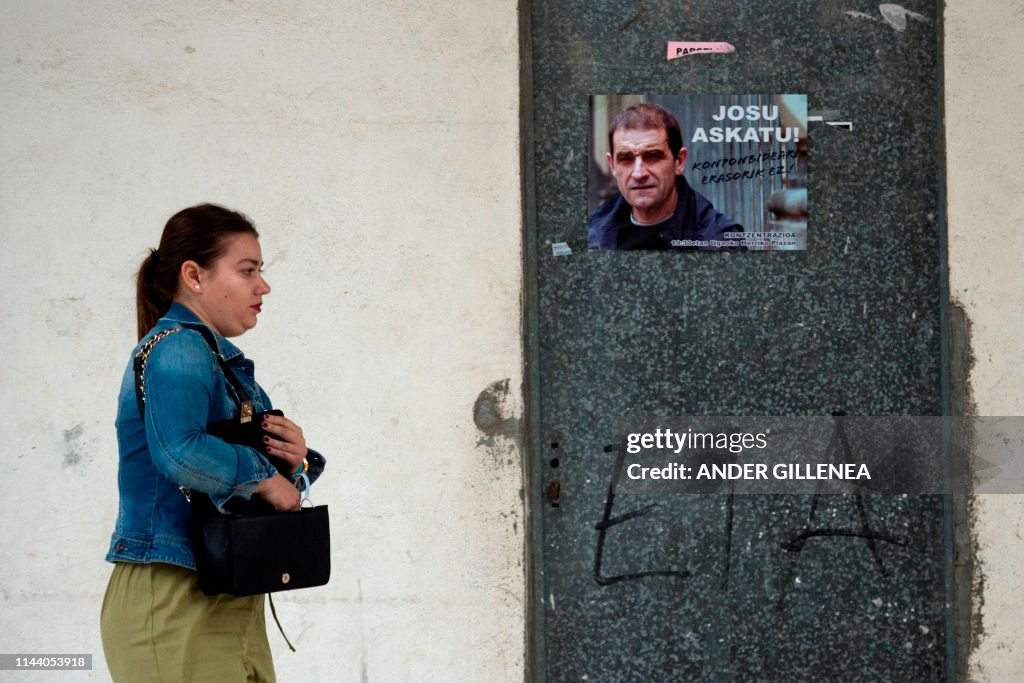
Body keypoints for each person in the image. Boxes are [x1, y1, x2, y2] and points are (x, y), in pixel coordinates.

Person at [100, 204, 322, 682]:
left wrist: (296, 463)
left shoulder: (222, 363)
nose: (262, 286)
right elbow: (179, 449)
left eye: (261, 271)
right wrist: (264, 478)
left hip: (226, 587)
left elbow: (270, 482)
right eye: (247, 270)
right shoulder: (178, 347)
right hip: (173, 588)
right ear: (194, 276)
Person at [588, 103, 743, 250]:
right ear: (612, 165)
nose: (638, 173)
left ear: (679, 161)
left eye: (653, 156)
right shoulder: (591, 235)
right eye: (626, 159)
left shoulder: (720, 240)